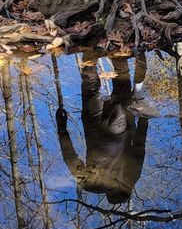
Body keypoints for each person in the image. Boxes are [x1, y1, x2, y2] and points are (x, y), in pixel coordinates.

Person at [56, 56, 149, 204]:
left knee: (121, 81)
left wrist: (144, 118)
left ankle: (118, 50)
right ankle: (89, 49)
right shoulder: (89, 185)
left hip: (118, 129)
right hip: (93, 130)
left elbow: (139, 147)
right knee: (90, 85)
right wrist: (62, 130)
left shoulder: (130, 178)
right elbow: (70, 159)